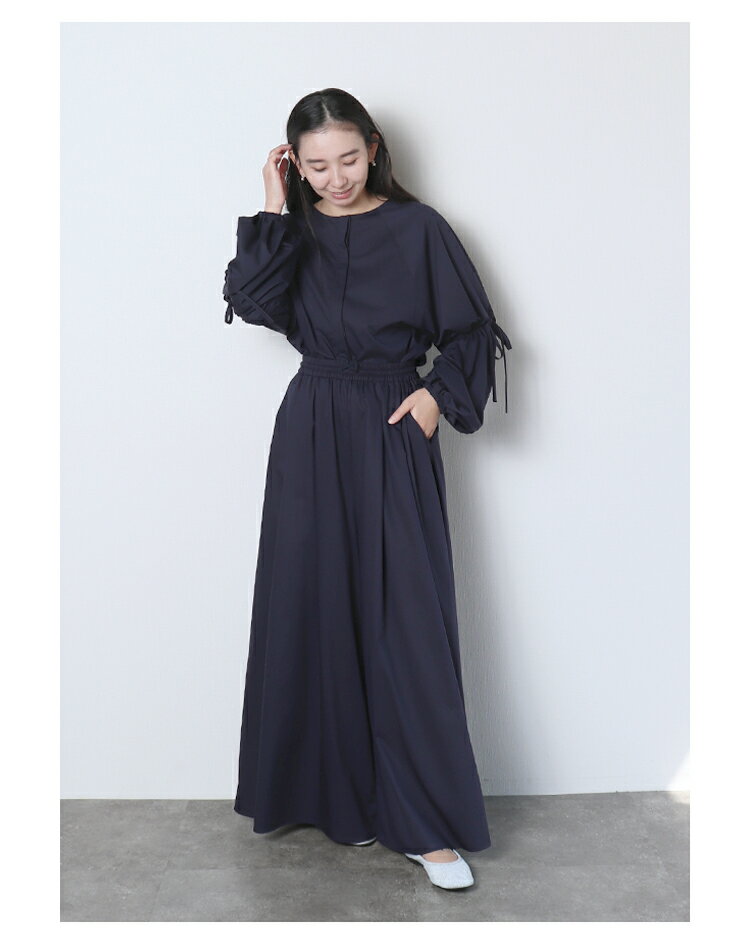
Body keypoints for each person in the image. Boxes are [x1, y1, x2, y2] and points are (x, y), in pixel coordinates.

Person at [223, 88, 512, 891]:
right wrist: (275, 205)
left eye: (348, 158)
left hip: (391, 425)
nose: (337, 178)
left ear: (375, 147)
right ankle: (330, 798)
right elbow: (252, 303)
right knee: (311, 603)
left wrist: (433, 400)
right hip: (311, 426)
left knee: (403, 621)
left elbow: (472, 329)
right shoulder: (295, 229)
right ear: (294, 164)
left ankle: (425, 824)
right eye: (316, 166)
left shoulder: (421, 229)